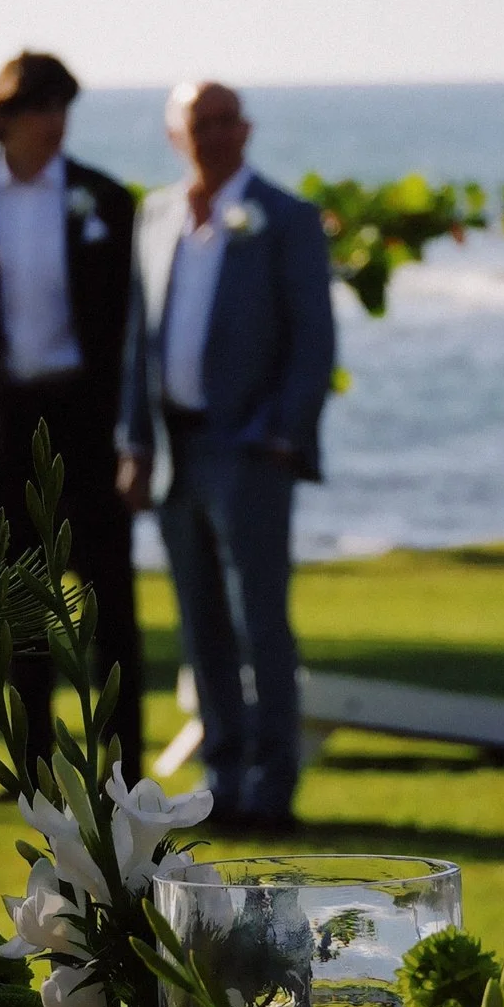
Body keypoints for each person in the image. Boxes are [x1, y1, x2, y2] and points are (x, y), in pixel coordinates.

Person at [0, 49, 144, 775]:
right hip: (1, 427)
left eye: (63, 107)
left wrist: (133, 432)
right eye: (41, 107)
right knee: (18, 608)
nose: (55, 122)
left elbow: (133, 323)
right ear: (5, 117)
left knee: (108, 603)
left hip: (86, 421)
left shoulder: (104, 198)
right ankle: (33, 768)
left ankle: (123, 769)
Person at [119, 79, 336, 832]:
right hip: (174, 448)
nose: (211, 135)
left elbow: (313, 339)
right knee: (200, 623)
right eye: (197, 124)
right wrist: (134, 443)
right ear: (175, 136)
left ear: (245, 130)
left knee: (259, 624)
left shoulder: (285, 217)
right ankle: (222, 781)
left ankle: (272, 787)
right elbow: (139, 341)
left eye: (223, 121)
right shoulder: (156, 216)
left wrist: (283, 433)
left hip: (249, 450)